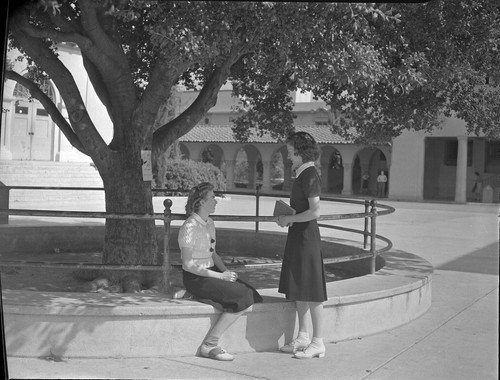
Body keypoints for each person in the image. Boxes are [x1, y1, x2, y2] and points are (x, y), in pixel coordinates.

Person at [178, 182, 263, 361]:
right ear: (200, 202)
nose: (216, 201)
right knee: (242, 297)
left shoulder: (209, 223)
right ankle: (209, 345)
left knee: (251, 292)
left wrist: (227, 272)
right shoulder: (189, 227)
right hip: (195, 277)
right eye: (212, 198)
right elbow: (188, 265)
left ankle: (195, 296)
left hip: (211, 271)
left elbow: (213, 253)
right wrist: (220, 276)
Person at [275, 132, 327, 359]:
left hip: (306, 238)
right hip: (299, 236)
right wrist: (290, 216)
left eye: (289, 151)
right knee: (300, 288)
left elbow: (316, 211)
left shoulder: (309, 173)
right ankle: (304, 336)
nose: (288, 155)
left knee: (312, 290)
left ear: (298, 150)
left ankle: (318, 342)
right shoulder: (303, 173)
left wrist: (289, 219)